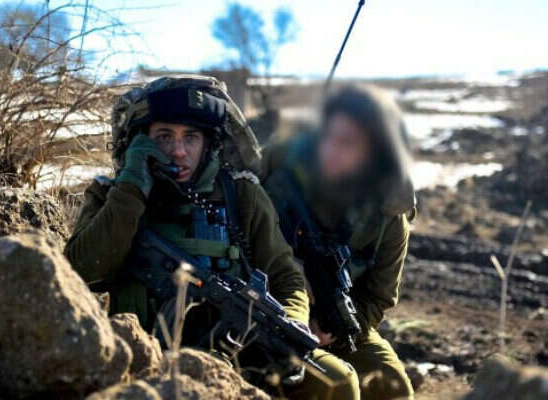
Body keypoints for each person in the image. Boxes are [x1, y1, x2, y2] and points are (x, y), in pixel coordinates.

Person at [65, 75, 360, 399]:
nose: (178, 151)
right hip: (147, 359)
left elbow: (285, 275)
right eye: (164, 137)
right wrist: (132, 186)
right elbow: (81, 272)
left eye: (190, 137)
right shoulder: (110, 195)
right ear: (140, 141)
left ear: (208, 142)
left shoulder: (242, 194)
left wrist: (290, 323)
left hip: (242, 354)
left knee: (338, 381)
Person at [261, 84, 416, 400]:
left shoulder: (390, 214)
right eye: (328, 137)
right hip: (269, 315)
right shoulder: (281, 172)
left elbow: (379, 297)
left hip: (340, 329)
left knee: (393, 386)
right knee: (336, 384)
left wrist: (332, 330)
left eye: (348, 143)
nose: (331, 150)